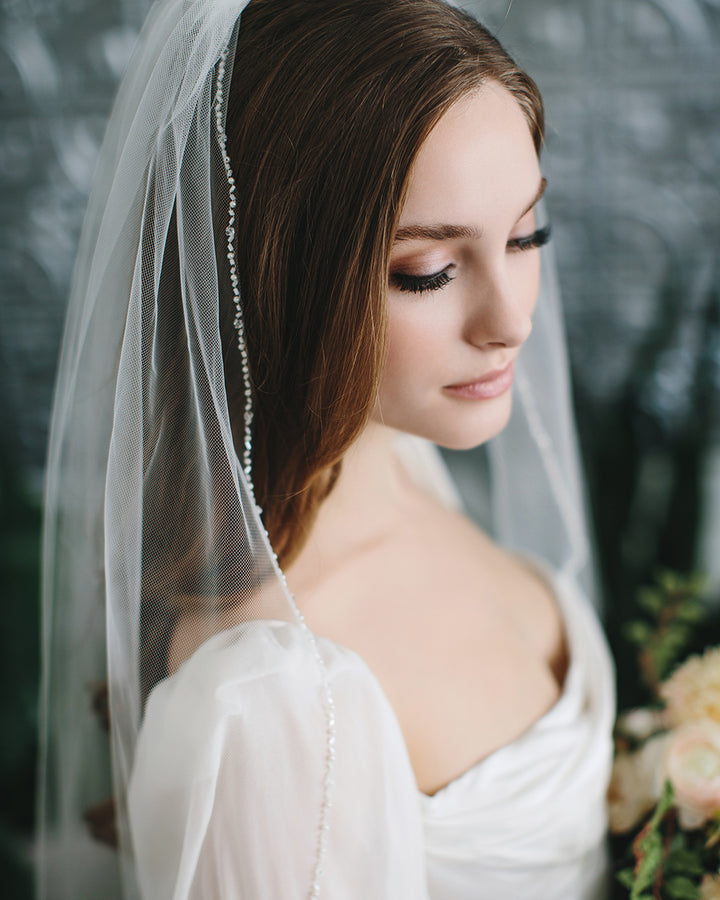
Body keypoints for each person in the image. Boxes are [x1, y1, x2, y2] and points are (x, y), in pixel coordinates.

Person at [37, 0, 615, 898]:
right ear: (284, 276)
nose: (512, 321)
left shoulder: (403, 459)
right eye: (427, 271)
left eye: (525, 234)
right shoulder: (271, 703)